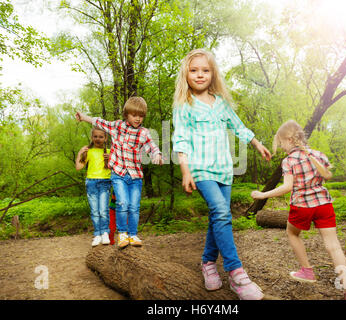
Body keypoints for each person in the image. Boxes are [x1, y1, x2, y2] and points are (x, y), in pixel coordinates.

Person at [172, 48, 271, 300]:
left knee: (218, 216)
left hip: (224, 170)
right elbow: (181, 138)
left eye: (205, 70)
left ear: (213, 73)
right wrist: (185, 171)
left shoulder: (221, 104)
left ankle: (207, 263)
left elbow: (238, 126)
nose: (199, 74)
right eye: (194, 70)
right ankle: (236, 274)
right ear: (186, 74)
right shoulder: (185, 105)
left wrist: (257, 143)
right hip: (200, 169)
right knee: (221, 212)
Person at [251, 119, 346, 300]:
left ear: (290, 140)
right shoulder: (318, 154)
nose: (283, 147)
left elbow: (287, 187)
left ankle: (307, 271)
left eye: (282, 142)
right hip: (324, 204)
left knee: (292, 233)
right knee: (334, 247)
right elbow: (329, 175)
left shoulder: (289, 160)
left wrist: (262, 195)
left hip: (302, 206)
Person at [76, 96, 163, 248]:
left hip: (135, 176)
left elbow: (152, 146)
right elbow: (100, 122)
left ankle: (133, 234)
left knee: (134, 206)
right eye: (134, 115)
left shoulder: (143, 133)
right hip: (119, 174)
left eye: (141, 116)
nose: (138, 119)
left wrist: (157, 155)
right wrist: (84, 117)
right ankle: (122, 234)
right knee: (122, 203)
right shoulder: (117, 127)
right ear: (126, 114)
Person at [75, 127, 112, 247]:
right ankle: (97, 234)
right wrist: (80, 153)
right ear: (92, 137)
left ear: (105, 138)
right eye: (95, 136)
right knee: (95, 211)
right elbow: (78, 167)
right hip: (91, 183)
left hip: (105, 182)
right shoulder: (88, 151)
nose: (98, 139)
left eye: (101, 137)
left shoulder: (109, 151)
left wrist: (110, 160)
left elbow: (117, 168)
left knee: (103, 210)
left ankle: (105, 233)